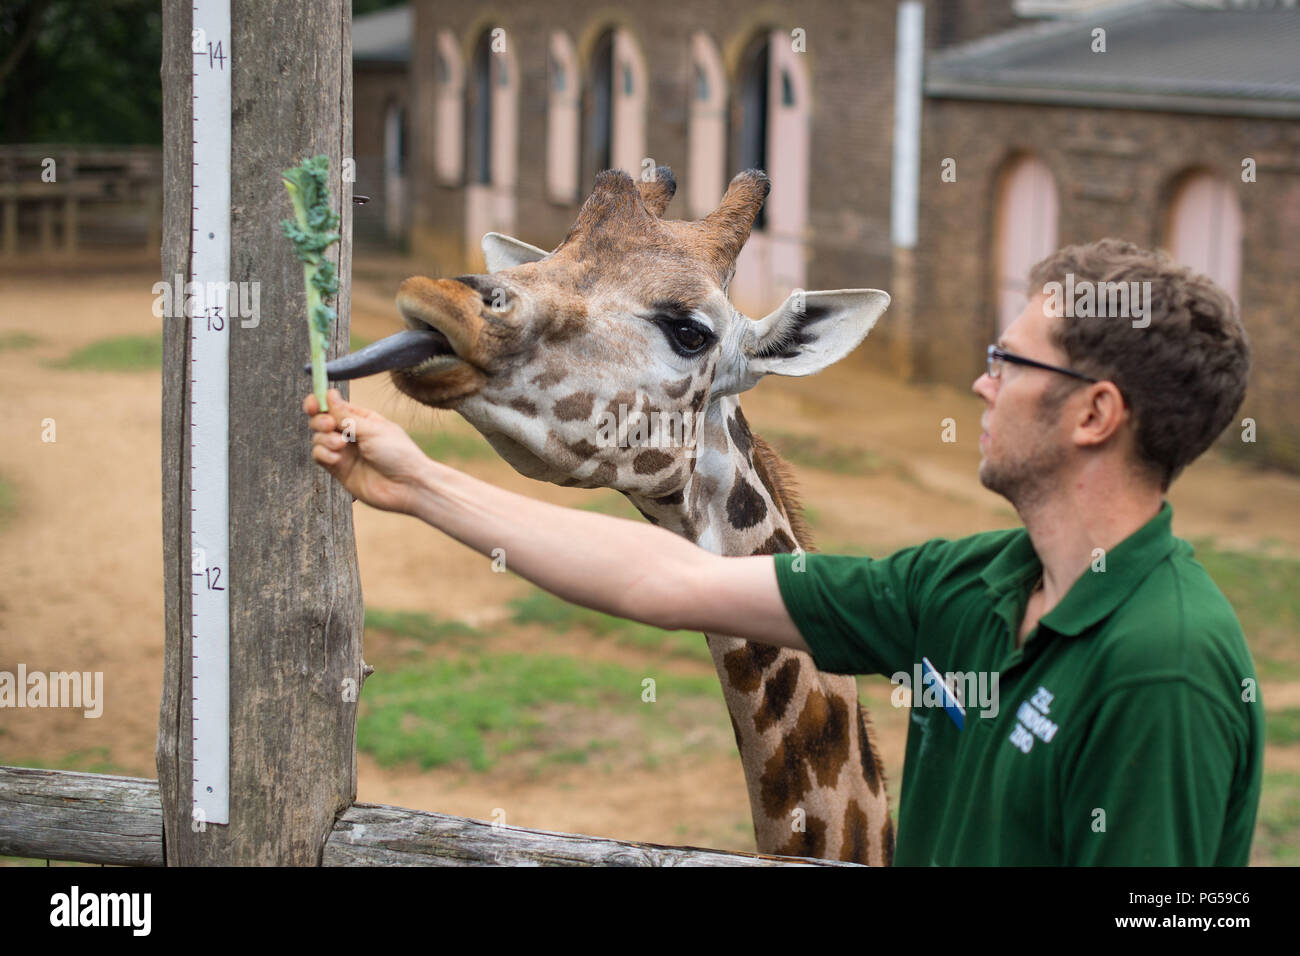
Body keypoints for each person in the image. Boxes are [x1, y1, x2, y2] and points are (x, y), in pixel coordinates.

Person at [304, 238, 1262, 866]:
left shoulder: (1162, 666)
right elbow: (672, 580)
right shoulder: (976, 583)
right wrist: (416, 485)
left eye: (1011, 363)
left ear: (1095, 414)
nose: (980, 383)